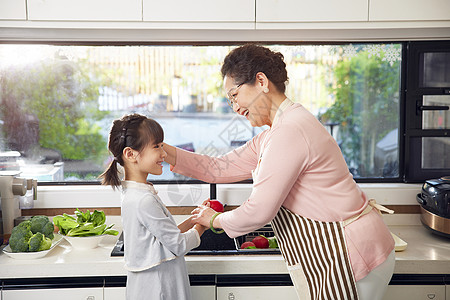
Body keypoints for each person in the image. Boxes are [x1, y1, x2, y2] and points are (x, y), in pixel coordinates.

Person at [163, 44, 395, 300]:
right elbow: (219, 167)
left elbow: (259, 212)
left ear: (261, 81)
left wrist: (214, 220)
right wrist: (164, 151)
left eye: (234, 95)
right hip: (340, 251)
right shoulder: (277, 131)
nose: (234, 107)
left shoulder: (289, 131)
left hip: (352, 252)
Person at [100, 113, 206, 300]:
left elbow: (164, 237)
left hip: (152, 285)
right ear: (130, 154)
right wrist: (202, 226)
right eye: (157, 146)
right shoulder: (143, 200)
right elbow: (179, 245)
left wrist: (193, 219)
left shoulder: (136, 193)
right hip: (158, 288)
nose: (164, 154)